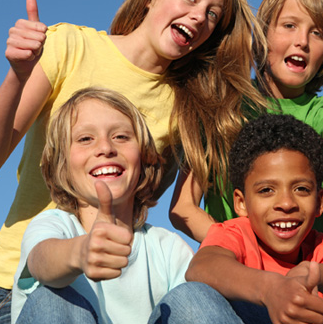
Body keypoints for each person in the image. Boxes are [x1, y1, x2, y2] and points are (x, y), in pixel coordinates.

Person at [0, 0, 265, 323]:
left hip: (117, 293)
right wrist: (16, 77)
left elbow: (156, 206)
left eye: (212, 14)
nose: (198, 16)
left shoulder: (186, 108)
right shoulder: (70, 47)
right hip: (21, 286)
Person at [170, 0, 323, 243]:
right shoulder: (220, 106)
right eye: (289, 26)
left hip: (306, 275)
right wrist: (236, 250)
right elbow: (182, 207)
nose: (302, 41)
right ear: (262, 33)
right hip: (234, 275)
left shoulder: (319, 111)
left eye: (318, 33)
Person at [158, 114, 323, 324]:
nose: (286, 203)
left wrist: (312, 273)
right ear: (241, 203)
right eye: (266, 190)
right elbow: (202, 266)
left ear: (319, 202)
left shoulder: (317, 249)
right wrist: (270, 289)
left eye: (301, 189)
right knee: (188, 298)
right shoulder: (236, 232)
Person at [11, 87, 193, 324]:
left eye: (121, 137)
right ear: (61, 165)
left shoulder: (167, 248)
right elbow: (40, 262)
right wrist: (80, 252)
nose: (106, 148)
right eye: (85, 139)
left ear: (145, 156)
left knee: (194, 295)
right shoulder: (54, 227)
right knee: (51, 297)